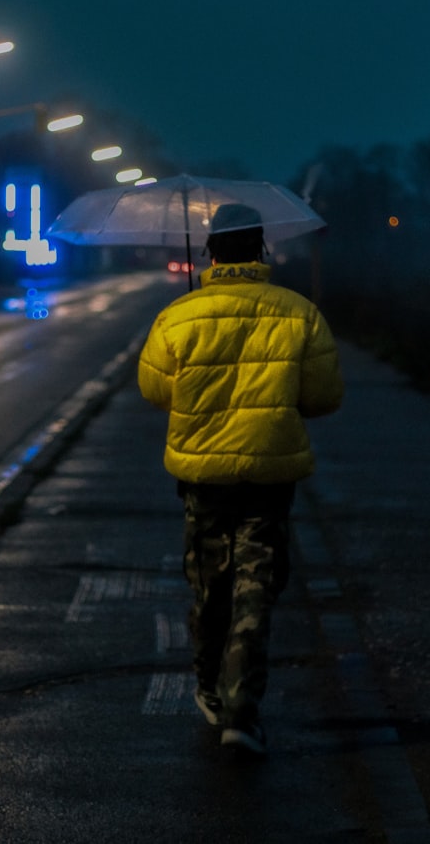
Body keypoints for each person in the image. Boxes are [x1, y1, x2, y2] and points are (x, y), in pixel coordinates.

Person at [138, 203, 344, 756]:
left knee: (209, 586)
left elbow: (155, 390)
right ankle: (242, 711)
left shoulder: (179, 316)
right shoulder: (299, 314)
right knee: (256, 589)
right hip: (269, 475)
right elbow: (324, 397)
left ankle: (207, 687)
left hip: (203, 476)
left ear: (209, 254)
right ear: (261, 250)